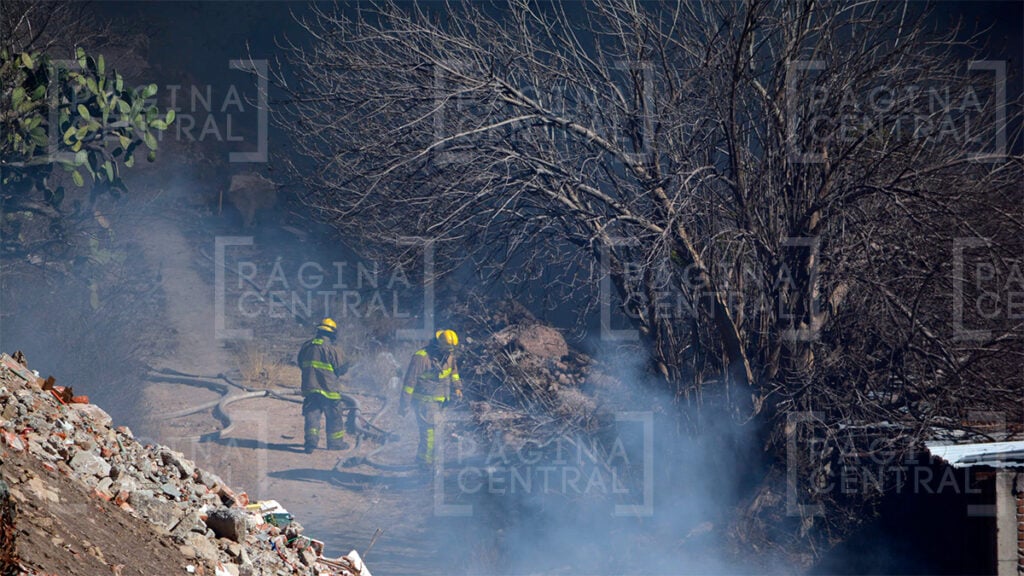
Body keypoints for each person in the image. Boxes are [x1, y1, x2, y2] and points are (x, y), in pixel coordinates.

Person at [398, 329, 462, 469]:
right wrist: (404, 405)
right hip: (425, 402)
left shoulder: (449, 356)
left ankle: (430, 462)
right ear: (439, 345)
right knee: (429, 433)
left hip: (442, 401)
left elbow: (454, 372)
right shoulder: (421, 358)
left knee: (437, 432)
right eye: (447, 349)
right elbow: (409, 383)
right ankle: (425, 465)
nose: (449, 353)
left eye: (451, 350)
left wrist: (457, 388)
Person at [297, 318, 353, 453]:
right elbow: (342, 368)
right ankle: (335, 443)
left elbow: (300, 363)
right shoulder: (333, 349)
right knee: (334, 416)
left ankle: (310, 442)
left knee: (312, 415)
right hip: (329, 390)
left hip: (310, 389)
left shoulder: (306, 346)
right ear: (332, 333)